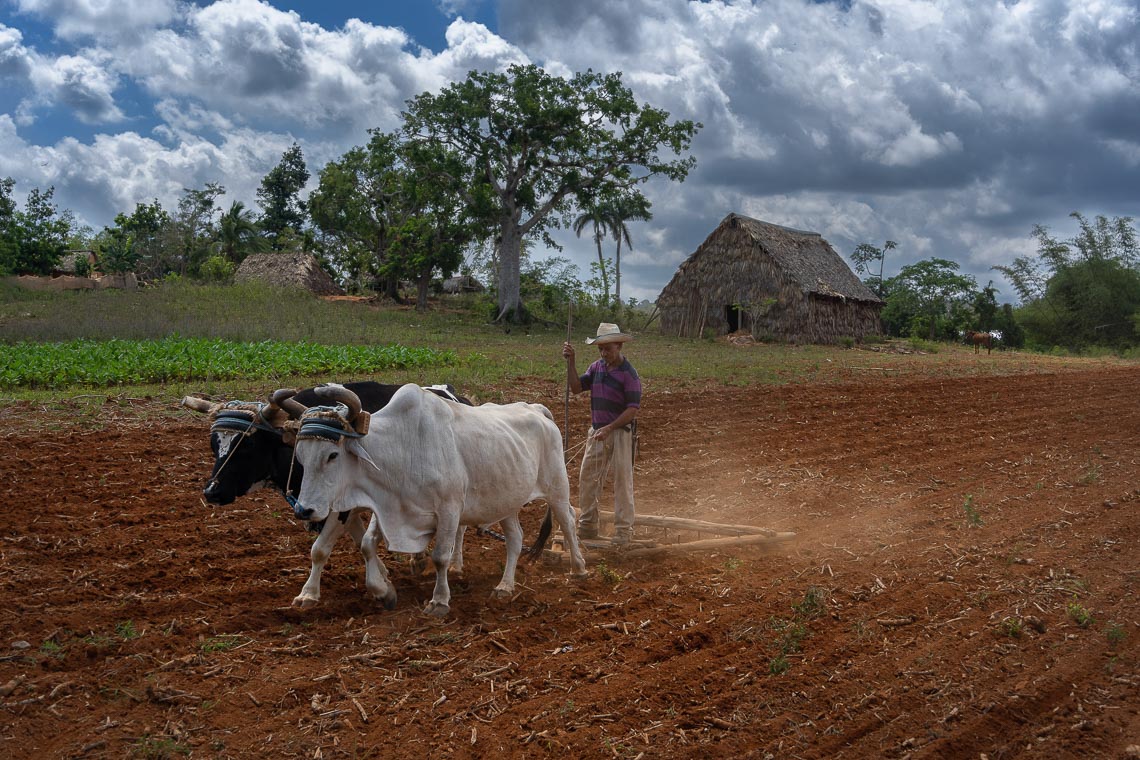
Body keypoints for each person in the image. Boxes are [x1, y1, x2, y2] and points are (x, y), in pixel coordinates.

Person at [562, 322, 642, 545]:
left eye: (608, 348)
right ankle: (587, 524)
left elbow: (632, 409)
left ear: (619, 346)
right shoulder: (596, 368)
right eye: (601, 349)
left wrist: (609, 428)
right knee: (588, 477)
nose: (604, 353)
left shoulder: (629, 374)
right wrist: (571, 362)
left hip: (620, 433)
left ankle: (623, 530)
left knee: (622, 481)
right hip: (597, 431)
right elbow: (577, 388)